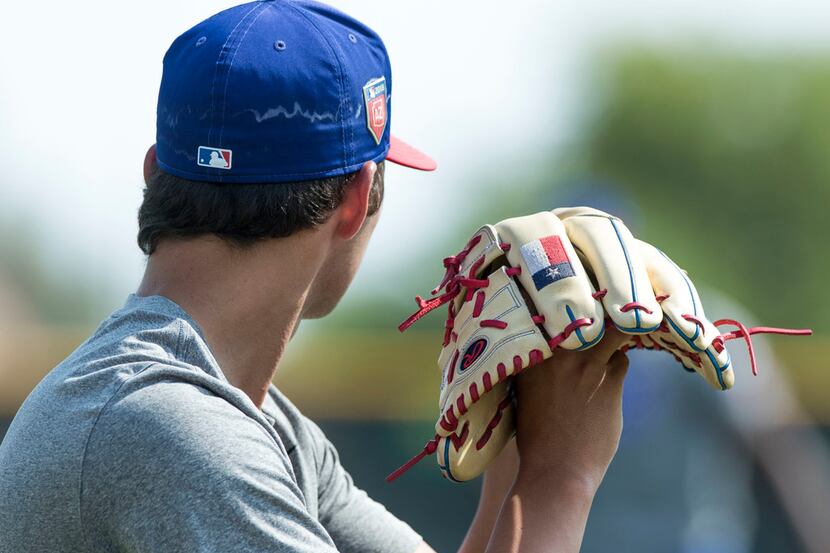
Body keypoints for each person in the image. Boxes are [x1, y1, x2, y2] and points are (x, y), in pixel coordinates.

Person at [0, 2, 629, 551]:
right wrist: (561, 479)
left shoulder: (251, 421)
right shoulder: (172, 429)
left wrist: (519, 448)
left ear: (153, 171)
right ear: (356, 198)